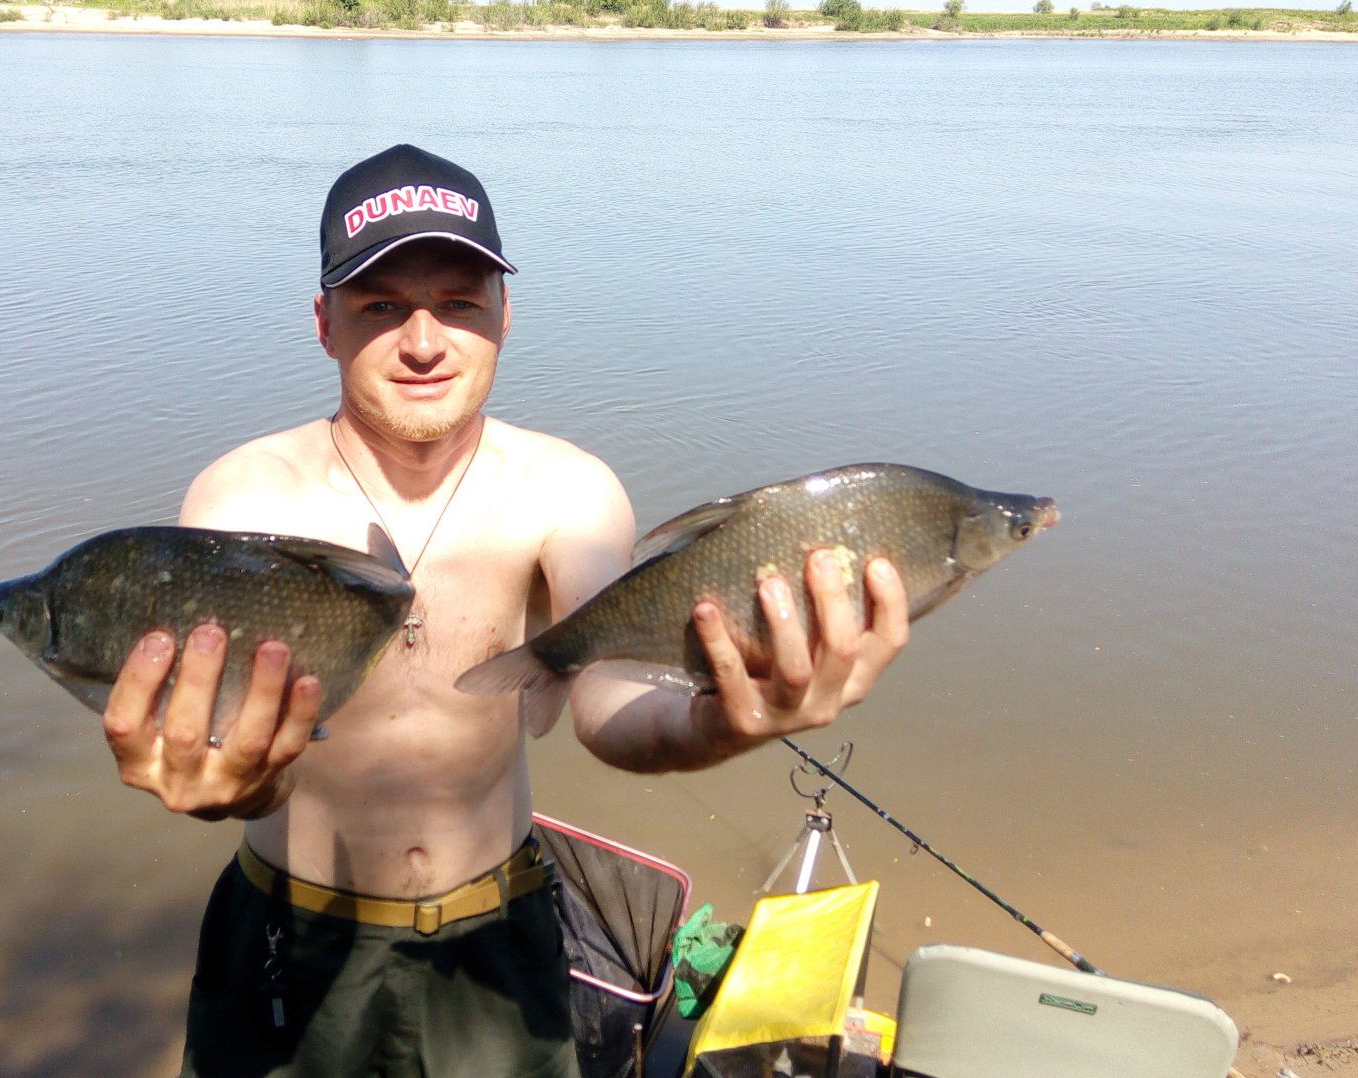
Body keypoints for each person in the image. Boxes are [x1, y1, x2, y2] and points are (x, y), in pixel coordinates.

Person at [99, 145, 912, 1078]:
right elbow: (232, 743)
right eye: (379, 307)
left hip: (495, 939)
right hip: (288, 935)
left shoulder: (567, 490)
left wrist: (720, 719)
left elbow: (608, 700)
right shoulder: (244, 497)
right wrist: (228, 785)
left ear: (505, 315)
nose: (424, 342)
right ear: (324, 325)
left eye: (458, 302)